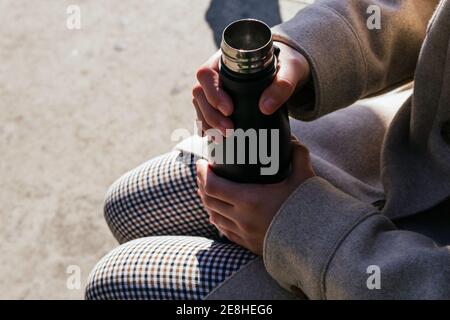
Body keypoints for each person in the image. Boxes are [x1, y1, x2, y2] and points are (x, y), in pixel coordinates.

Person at [85, 0, 450, 299]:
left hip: (398, 277)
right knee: (130, 204)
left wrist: (307, 233)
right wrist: (307, 50)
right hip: (420, 144)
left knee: (113, 285)